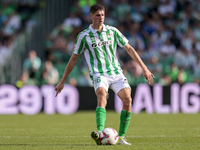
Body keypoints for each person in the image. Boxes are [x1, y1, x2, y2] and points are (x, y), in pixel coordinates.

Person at [55, 4, 154, 145]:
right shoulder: (83, 36)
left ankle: (121, 138)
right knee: (101, 94)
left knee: (128, 100)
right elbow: (73, 59)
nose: (101, 17)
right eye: (97, 15)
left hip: (116, 72)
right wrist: (62, 80)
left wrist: (144, 68)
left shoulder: (113, 31)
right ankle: (100, 134)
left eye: (102, 15)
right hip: (98, 73)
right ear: (91, 16)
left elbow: (129, 49)